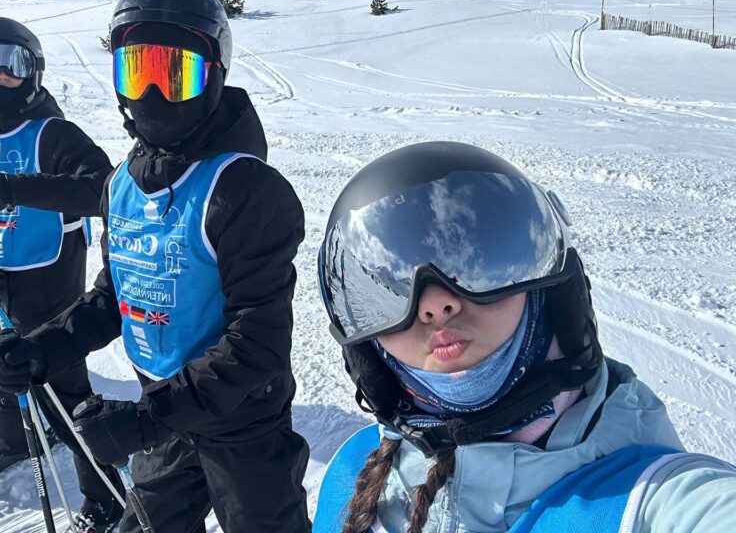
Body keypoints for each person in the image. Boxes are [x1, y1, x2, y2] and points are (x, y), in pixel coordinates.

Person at [0, 0, 312, 533]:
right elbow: (117, 297)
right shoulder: (120, 187)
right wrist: (45, 348)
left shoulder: (246, 191)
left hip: (242, 424)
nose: (153, 96)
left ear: (212, 78)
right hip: (163, 410)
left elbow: (256, 343)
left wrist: (146, 422)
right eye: (138, 72)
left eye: (175, 75)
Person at [314, 141, 736, 533]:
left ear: (548, 294)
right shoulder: (352, 474)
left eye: (476, 266)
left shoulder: (646, 504)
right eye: (396, 287)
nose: (435, 305)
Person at [0, 16, 123, 532]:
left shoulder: (54, 133)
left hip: (53, 278)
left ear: (34, 72)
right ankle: (15, 441)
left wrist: (22, 188)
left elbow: (101, 188)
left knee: (64, 392)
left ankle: (104, 495)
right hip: (6, 282)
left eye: (14, 64)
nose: (1, 75)